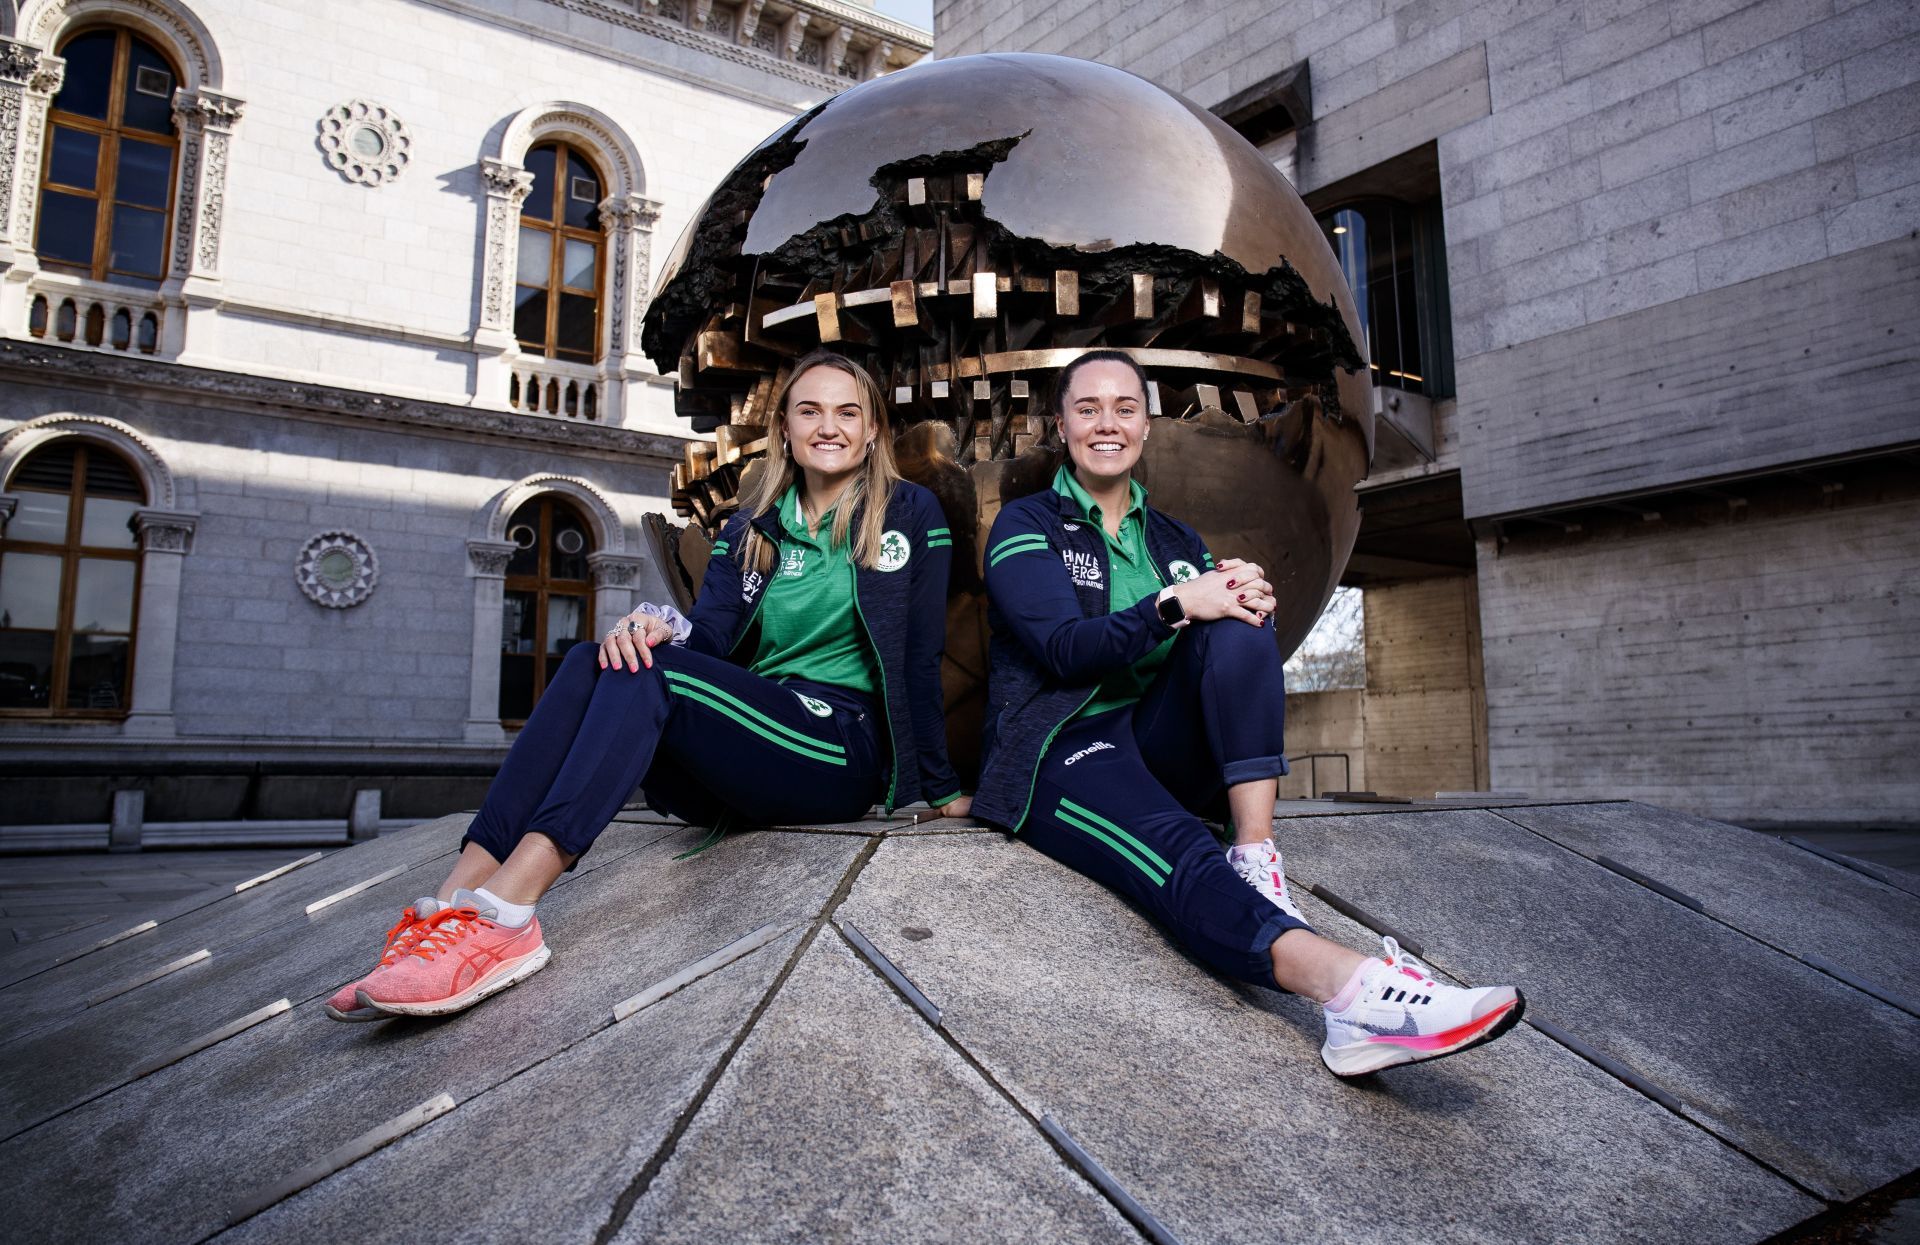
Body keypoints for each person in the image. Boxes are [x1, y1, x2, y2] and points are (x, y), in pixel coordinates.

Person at [328, 350, 969, 1020]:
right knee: (594, 658)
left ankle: (510, 911)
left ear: (872, 432)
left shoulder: (908, 512)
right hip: (756, 741)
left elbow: (922, 654)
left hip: (839, 744)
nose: (828, 426)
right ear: (785, 427)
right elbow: (712, 637)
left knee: (646, 671)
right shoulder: (752, 529)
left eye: (848, 412)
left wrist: (939, 785)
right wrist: (657, 627)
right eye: (810, 410)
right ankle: (451, 908)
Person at [974, 350, 1523, 1076]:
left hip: (1157, 740)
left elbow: (1216, 648)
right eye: (1088, 408)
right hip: (1064, 747)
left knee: (1237, 610)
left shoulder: (1174, 540)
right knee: (1172, 846)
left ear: (1146, 423)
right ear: (1061, 424)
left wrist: (1232, 592)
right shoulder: (1026, 524)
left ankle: (1257, 856)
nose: (1107, 423)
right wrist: (1174, 603)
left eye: (1125, 407)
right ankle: (1353, 993)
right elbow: (1064, 649)